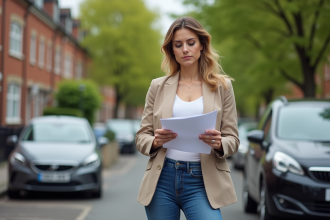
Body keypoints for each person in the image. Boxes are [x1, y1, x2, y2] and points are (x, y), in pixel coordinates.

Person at [135, 17, 239, 220]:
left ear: (202, 45)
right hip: (162, 179)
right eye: (178, 44)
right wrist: (155, 141)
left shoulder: (222, 87)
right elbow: (141, 137)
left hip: (202, 180)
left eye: (191, 43)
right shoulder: (158, 86)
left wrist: (218, 143)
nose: (185, 49)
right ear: (171, 50)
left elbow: (233, 140)